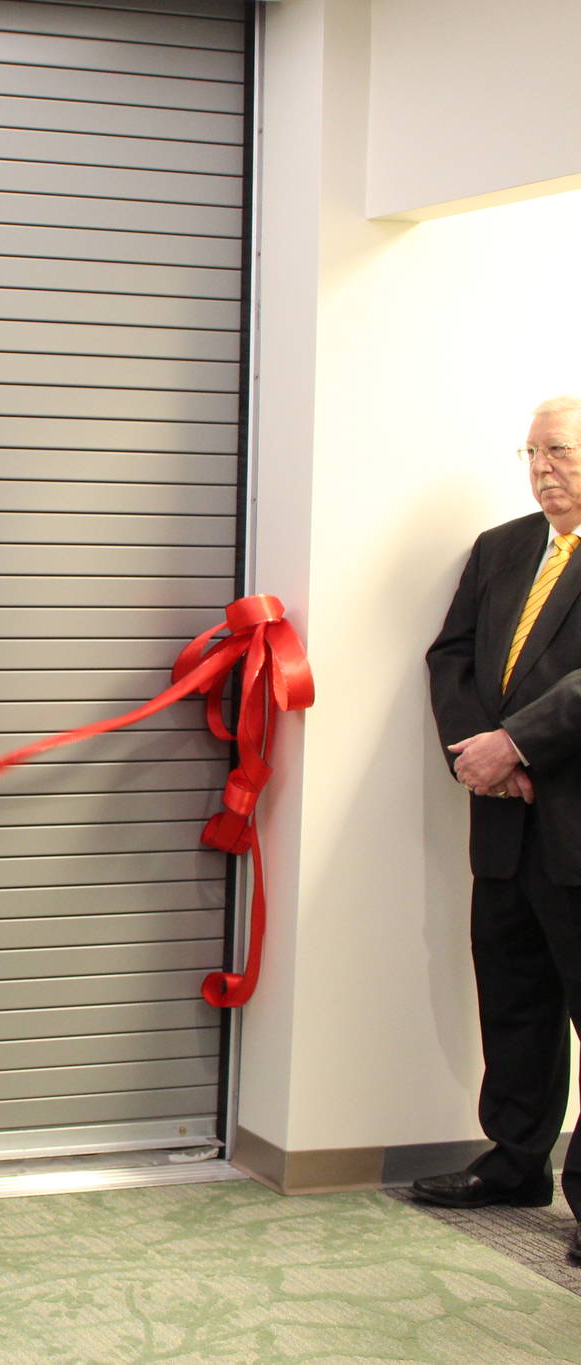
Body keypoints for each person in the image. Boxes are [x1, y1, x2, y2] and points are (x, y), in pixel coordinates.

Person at [423, 394, 581, 1266]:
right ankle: (515, 1160)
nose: (541, 468)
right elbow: (450, 655)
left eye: (557, 451)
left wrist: (518, 742)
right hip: (505, 822)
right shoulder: (503, 548)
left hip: (573, 821)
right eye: (531, 452)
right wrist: (477, 751)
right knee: (515, 1000)